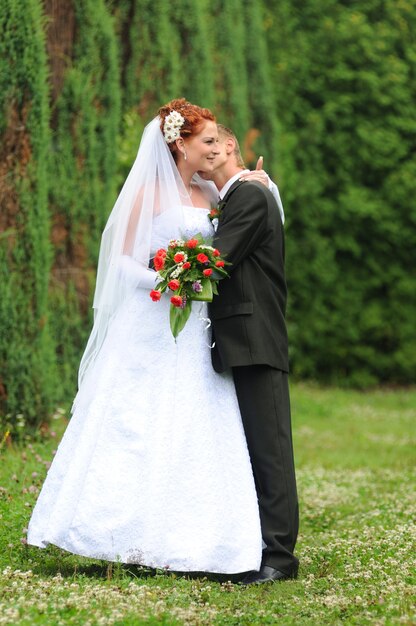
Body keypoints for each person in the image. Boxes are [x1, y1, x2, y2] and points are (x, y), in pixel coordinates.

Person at [27, 99, 264, 574]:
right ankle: (116, 532)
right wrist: (166, 282)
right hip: (152, 319)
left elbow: (230, 232)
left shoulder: (209, 193)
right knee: (135, 418)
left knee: (196, 414)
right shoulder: (147, 195)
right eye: (209, 141)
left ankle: (195, 538)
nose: (218, 147)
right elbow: (118, 259)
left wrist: (254, 180)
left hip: (196, 325)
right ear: (180, 144)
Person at [208, 125, 299, 584]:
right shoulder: (240, 193)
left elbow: (217, 259)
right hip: (241, 338)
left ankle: (280, 558)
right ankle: (255, 547)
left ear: (230, 146)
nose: (202, 152)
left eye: (210, 143)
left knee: (270, 451)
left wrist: (159, 264)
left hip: (255, 335)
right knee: (252, 451)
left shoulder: (247, 194)